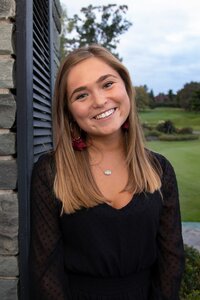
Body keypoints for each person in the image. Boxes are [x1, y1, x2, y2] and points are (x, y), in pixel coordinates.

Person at [29, 44, 184, 300]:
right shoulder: (50, 172)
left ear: (125, 86)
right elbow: (45, 271)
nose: (100, 101)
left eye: (107, 84)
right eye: (81, 95)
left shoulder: (160, 170)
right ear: (69, 111)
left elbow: (172, 260)